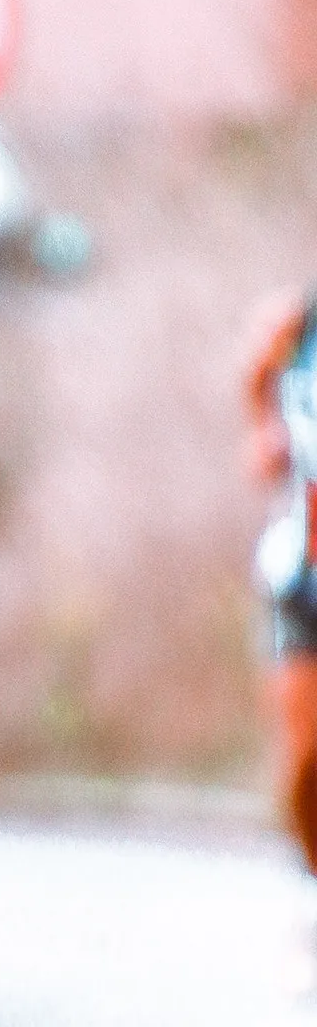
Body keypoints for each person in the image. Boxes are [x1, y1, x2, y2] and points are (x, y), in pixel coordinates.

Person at [243, 287, 317, 872]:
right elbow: (263, 456)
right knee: (304, 760)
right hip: (301, 573)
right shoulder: (297, 326)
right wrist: (266, 424)